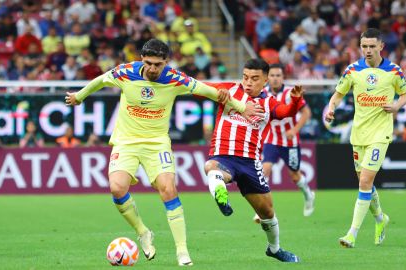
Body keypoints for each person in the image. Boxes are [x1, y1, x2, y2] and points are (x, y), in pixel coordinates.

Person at [65, 39, 261, 266]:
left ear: (166, 62)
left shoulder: (175, 79)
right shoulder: (125, 72)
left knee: (168, 188)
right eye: (148, 63)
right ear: (142, 59)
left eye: (158, 64)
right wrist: (79, 96)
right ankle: (143, 232)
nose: (152, 68)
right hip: (126, 142)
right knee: (117, 187)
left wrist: (241, 107)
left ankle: (182, 251)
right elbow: (100, 81)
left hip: (156, 143)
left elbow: (209, 91)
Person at [204, 58, 300, 263]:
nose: (248, 82)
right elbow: (199, 88)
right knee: (212, 167)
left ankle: (274, 249)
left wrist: (295, 101)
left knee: (267, 211)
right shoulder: (229, 90)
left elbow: (285, 112)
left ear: (265, 80)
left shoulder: (268, 103)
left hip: (250, 163)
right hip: (223, 155)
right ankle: (220, 194)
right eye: (245, 77)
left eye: (255, 79)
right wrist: (214, 93)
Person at [324, 28, 406, 248]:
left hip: (381, 134)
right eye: (364, 46)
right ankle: (381, 218)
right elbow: (338, 94)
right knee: (365, 182)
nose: (368, 50)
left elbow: (405, 94)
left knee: (364, 181)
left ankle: (352, 233)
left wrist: (397, 105)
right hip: (359, 134)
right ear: (360, 47)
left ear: (381, 46)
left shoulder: (394, 71)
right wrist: (331, 108)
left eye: (372, 46)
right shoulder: (353, 70)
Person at [258, 64, 314, 217]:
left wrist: (295, 130)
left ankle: (308, 195)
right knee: (265, 169)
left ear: (283, 78)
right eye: (272, 75)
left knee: (294, 175)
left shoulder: (291, 92)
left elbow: (306, 112)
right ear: (267, 77)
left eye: (278, 76)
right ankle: (262, 207)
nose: (275, 79)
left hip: (290, 142)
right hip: (272, 139)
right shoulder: (263, 93)